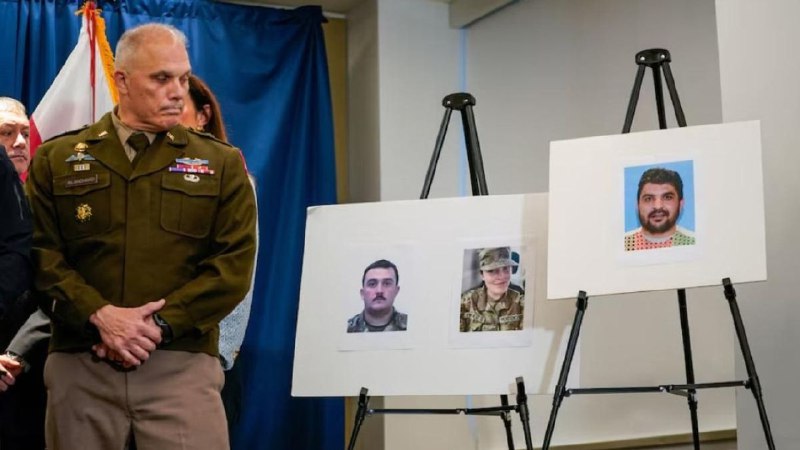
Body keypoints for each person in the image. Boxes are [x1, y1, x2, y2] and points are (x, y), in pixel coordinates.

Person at [26, 23, 256, 450]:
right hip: (82, 361)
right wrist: (100, 316)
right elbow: (41, 255)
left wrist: (155, 327)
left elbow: (232, 268)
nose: (177, 92)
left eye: (183, 79)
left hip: (181, 364)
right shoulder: (57, 158)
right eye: (161, 78)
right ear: (123, 81)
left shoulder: (221, 164)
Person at [180, 73, 256, 437]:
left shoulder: (231, 176)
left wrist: (219, 355)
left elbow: (238, 274)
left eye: (178, 106)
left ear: (203, 115)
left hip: (205, 359)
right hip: (148, 360)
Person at [0, 97, 48, 450]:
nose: (19, 142)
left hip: (31, 367)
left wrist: (18, 352)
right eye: (6, 133)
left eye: (25, 133)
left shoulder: (54, 202)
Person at [624, 167, 695, 251]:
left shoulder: (694, 242)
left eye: (667, 197)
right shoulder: (622, 244)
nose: (658, 206)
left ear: (681, 204)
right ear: (637, 205)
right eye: (648, 199)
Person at [460, 247, 524, 332]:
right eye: (492, 270)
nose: (502, 276)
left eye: (506, 268)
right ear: (482, 274)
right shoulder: (465, 303)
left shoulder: (521, 304)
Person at [347, 259, 407, 332]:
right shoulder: (347, 328)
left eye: (387, 283)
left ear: (396, 291)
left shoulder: (412, 325)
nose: (379, 291)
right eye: (372, 284)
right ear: (362, 293)